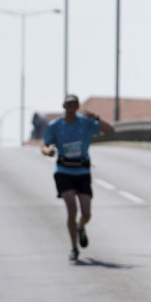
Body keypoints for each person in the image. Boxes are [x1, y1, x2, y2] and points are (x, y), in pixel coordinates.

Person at [41, 95, 115, 261]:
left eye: (75, 104)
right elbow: (45, 144)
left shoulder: (85, 123)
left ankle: (81, 227)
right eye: (68, 104)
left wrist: (97, 119)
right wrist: (48, 151)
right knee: (71, 208)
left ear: (78, 106)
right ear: (63, 106)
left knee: (86, 213)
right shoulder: (55, 126)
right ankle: (74, 248)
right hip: (63, 170)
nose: (71, 107)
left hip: (82, 171)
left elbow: (110, 130)